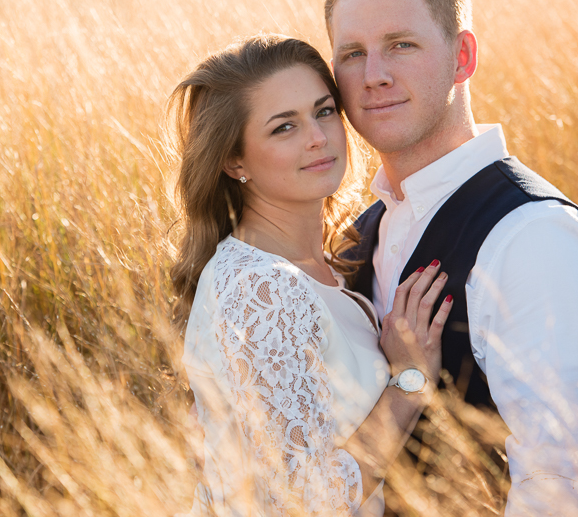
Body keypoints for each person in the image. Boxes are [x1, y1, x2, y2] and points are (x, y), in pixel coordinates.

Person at [325, 0, 578, 515]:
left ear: (462, 56)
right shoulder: (358, 235)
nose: (374, 76)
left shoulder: (534, 237)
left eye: (401, 45)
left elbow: (564, 486)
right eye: (352, 54)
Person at [170, 34, 454, 517]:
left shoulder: (314, 265)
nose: (318, 137)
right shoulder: (263, 288)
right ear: (234, 160)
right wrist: (407, 380)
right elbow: (305, 503)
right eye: (284, 128)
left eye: (324, 112)